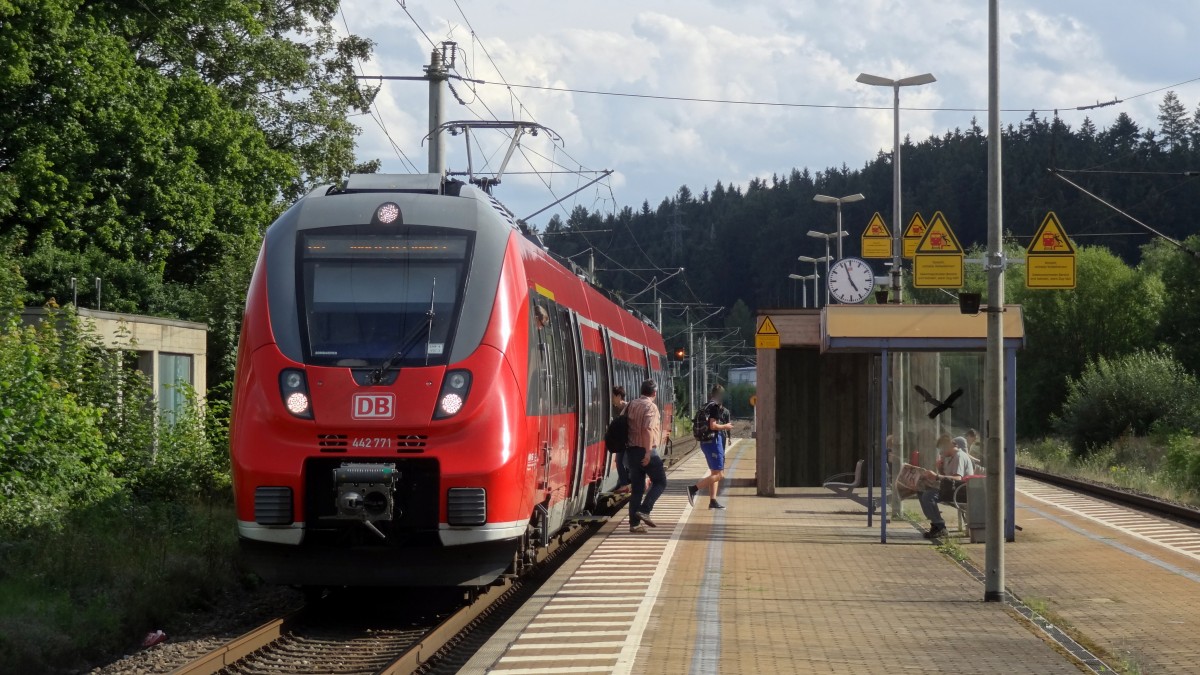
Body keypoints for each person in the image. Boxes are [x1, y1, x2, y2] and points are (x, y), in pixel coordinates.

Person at [624, 379, 667, 533]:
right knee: (660, 481)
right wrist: (648, 452)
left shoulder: (631, 404)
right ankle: (645, 510)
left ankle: (634, 525)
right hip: (645, 450)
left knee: (637, 488)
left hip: (631, 451)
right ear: (654, 393)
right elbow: (647, 429)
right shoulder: (651, 407)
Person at [919, 433, 974, 539]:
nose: (941, 452)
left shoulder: (959, 457)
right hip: (952, 489)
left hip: (960, 492)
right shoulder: (951, 458)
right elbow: (947, 478)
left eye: (942, 449)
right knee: (921, 491)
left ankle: (940, 526)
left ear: (949, 445)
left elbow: (958, 478)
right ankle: (935, 523)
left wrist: (936, 476)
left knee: (928, 496)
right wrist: (939, 470)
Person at [687, 384, 734, 509]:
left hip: (705, 442)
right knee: (720, 474)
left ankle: (713, 501)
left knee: (714, 472)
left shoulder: (705, 405)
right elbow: (713, 426)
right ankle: (693, 489)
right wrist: (726, 426)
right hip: (713, 442)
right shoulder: (715, 407)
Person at [604, 386, 632, 495]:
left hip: (627, 442)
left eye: (613, 397)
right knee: (620, 461)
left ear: (619, 396)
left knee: (622, 461)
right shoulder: (623, 408)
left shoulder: (627, 407)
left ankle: (627, 483)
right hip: (624, 442)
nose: (612, 400)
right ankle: (625, 483)